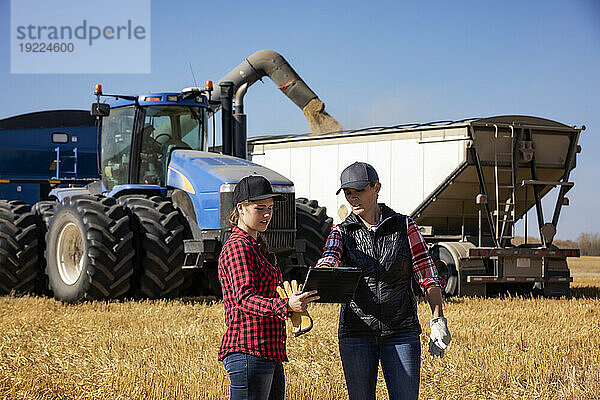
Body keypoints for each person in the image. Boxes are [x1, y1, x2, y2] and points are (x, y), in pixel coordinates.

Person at [316, 161, 452, 400]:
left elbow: (427, 274)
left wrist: (438, 318)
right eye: (348, 193)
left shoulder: (404, 226)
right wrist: (321, 273)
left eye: (358, 191)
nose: (353, 198)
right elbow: (329, 259)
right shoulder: (341, 232)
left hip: (401, 332)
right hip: (356, 333)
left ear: (376, 187)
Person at [218, 175, 319, 400]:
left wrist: (292, 301)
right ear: (240, 209)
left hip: (267, 350)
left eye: (271, 208)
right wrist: (286, 305)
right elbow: (243, 299)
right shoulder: (238, 247)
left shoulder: (256, 246)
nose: (267, 214)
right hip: (248, 349)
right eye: (259, 207)